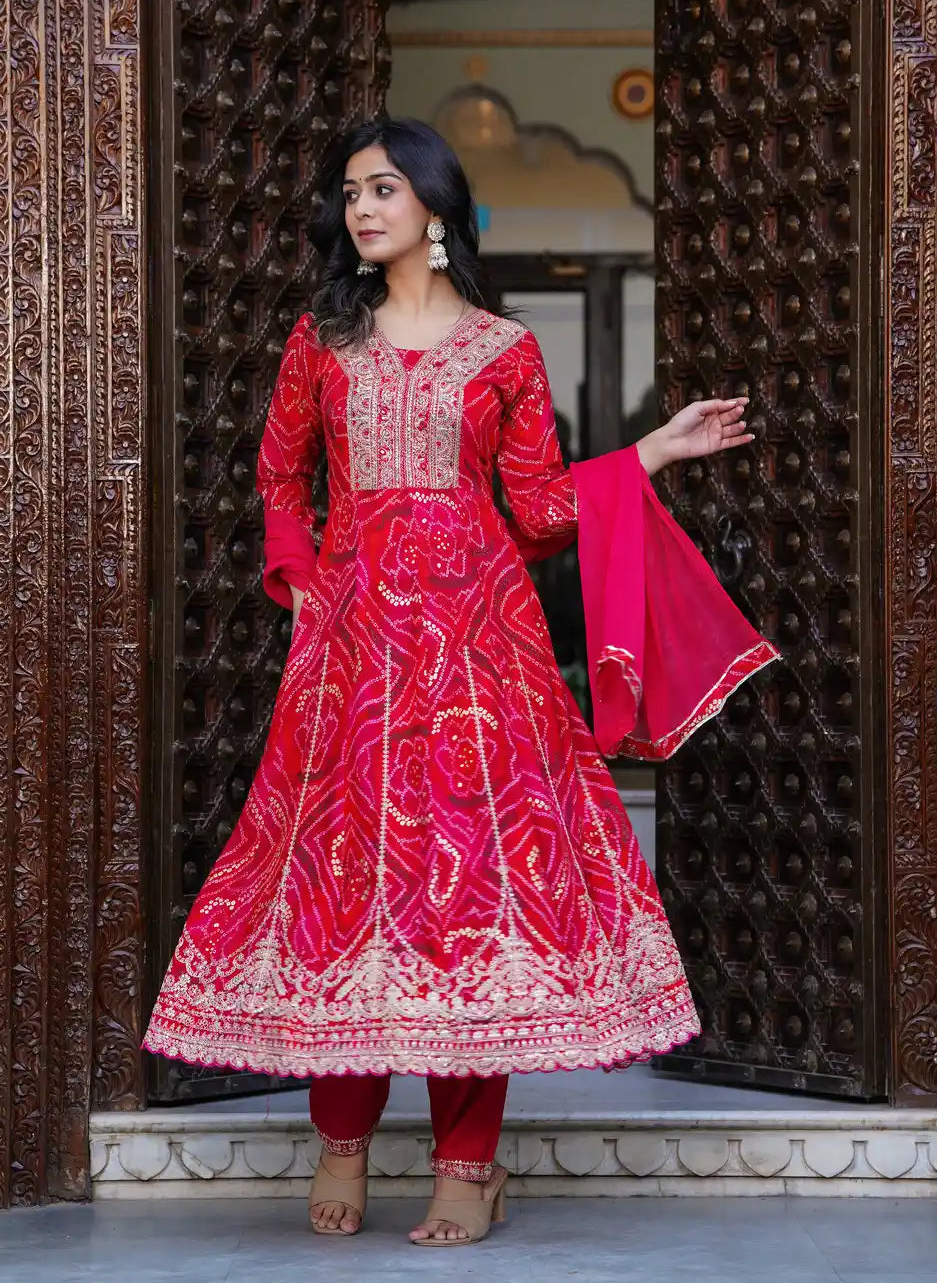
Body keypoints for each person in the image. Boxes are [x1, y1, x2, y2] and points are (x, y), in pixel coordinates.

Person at [144, 117, 777, 1247]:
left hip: (481, 655)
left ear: (434, 208)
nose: (362, 210)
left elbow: (537, 509)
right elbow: (280, 476)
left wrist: (648, 453)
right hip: (347, 654)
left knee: (468, 887)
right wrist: (299, 580)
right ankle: (340, 1140)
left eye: (383, 189)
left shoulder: (503, 351)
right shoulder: (319, 341)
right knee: (339, 877)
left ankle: (466, 1162)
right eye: (349, 194)